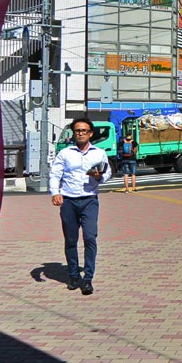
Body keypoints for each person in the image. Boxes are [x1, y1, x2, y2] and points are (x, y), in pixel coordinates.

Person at [49, 117, 112, 296]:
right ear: (74, 133)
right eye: (78, 131)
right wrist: (55, 193)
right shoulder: (65, 153)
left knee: (90, 237)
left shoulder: (99, 153)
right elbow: (55, 174)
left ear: (90, 133)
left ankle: (88, 279)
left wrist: (100, 177)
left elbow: (107, 172)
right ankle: (74, 275)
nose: (81, 133)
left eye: (84, 131)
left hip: (89, 200)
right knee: (70, 240)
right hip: (68, 200)